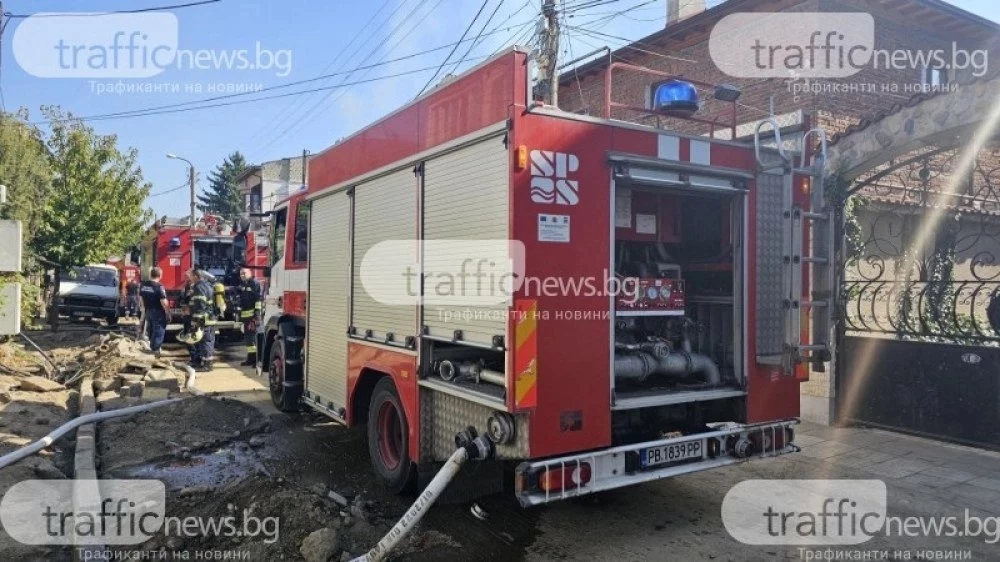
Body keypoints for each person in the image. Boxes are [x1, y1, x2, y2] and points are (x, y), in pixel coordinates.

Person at [180, 269, 217, 372]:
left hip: (205, 319)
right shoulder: (204, 285)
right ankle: (204, 363)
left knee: (206, 342)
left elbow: (200, 305)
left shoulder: (199, 287)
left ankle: (207, 365)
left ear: (196, 276)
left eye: (191, 276)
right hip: (207, 319)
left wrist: (196, 320)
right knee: (204, 341)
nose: (190, 278)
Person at [138, 267, 170, 359]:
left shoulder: (143, 285)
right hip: (158, 312)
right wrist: (168, 313)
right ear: (160, 275)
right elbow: (163, 302)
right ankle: (155, 351)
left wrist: (144, 309)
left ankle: (152, 348)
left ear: (150, 274)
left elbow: (141, 299)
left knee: (151, 330)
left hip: (148, 310)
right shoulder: (159, 286)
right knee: (159, 331)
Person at [238, 268, 263, 366]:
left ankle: (257, 361)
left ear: (250, 273)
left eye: (244, 273)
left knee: (254, 338)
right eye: (241, 274)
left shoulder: (254, 283)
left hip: (253, 316)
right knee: (248, 338)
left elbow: (258, 299)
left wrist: (256, 315)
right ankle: (251, 359)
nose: (242, 275)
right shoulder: (245, 284)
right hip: (246, 316)